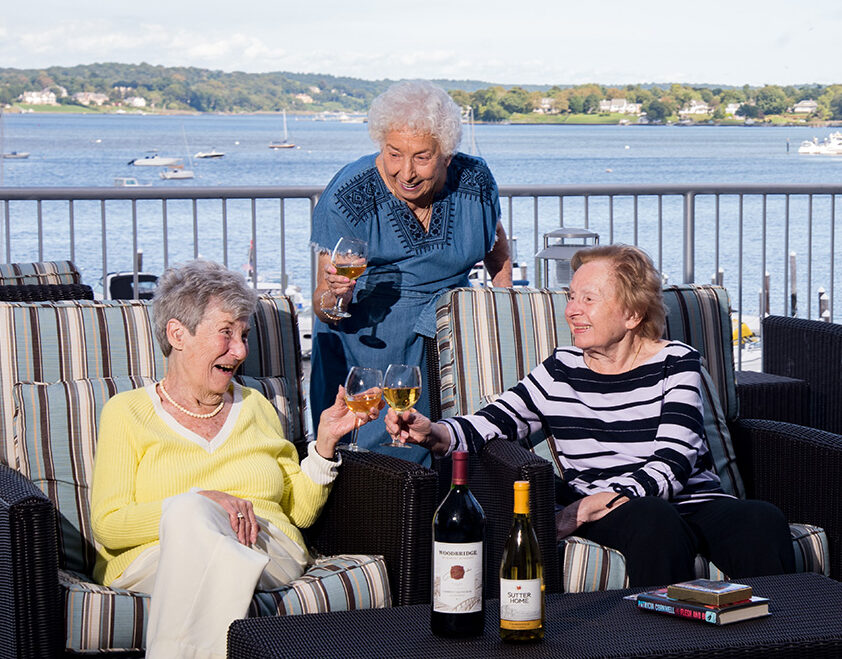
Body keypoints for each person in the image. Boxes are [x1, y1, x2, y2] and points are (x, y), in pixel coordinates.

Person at [385, 244, 795, 587]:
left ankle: (778, 641)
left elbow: (674, 460)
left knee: (761, 518)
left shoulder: (676, 362)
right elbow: (490, 424)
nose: (572, 311)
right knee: (654, 521)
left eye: (588, 299)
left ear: (632, 315)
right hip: (628, 514)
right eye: (571, 297)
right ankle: (660, 644)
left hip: (684, 500)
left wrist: (595, 503)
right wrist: (433, 431)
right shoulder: (561, 369)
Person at [90, 260, 382, 659]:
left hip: (265, 547)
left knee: (206, 545)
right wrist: (198, 504)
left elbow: (297, 512)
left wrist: (326, 442)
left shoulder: (256, 407)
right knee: (195, 520)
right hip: (155, 555)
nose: (241, 351)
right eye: (226, 333)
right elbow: (108, 526)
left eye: (243, 335)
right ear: (177, 333)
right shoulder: (126, 412)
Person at [310, 80, 512, 464]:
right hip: (369, 345)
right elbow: (323, 304)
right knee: (380, 467)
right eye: (394, 154)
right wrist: (337, 295)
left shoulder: (475, 179)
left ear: (448, 155)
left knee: (459, 451)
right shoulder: (348, 194)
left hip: (450, 334)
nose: (406, 172)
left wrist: (503, 300)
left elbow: (494, 238)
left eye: (421, 157)